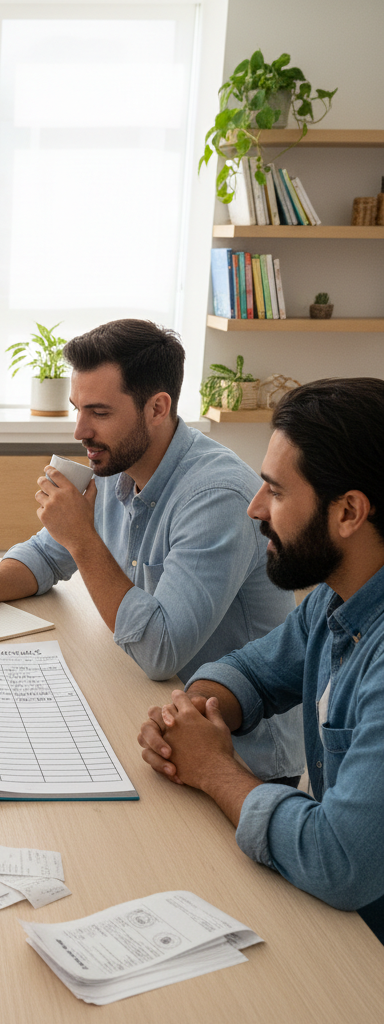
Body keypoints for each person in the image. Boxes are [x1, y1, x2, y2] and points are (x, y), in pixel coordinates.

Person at [0, 318, 303, 783]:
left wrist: (82, 538)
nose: (80, 430)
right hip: (157, 714)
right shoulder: (117, 465)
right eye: (77, 409)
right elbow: (46, 555)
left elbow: (161, 650)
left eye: (99, 413)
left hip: (242, 758)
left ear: (157, 408)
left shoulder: (217, 496)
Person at [137, 378, 384, 944]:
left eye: (274, 490)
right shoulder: (337, 594)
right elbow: (253, 670)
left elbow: (339, 860)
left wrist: (211, 767)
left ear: (348, 512)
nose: (255, 508)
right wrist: (193, 716)